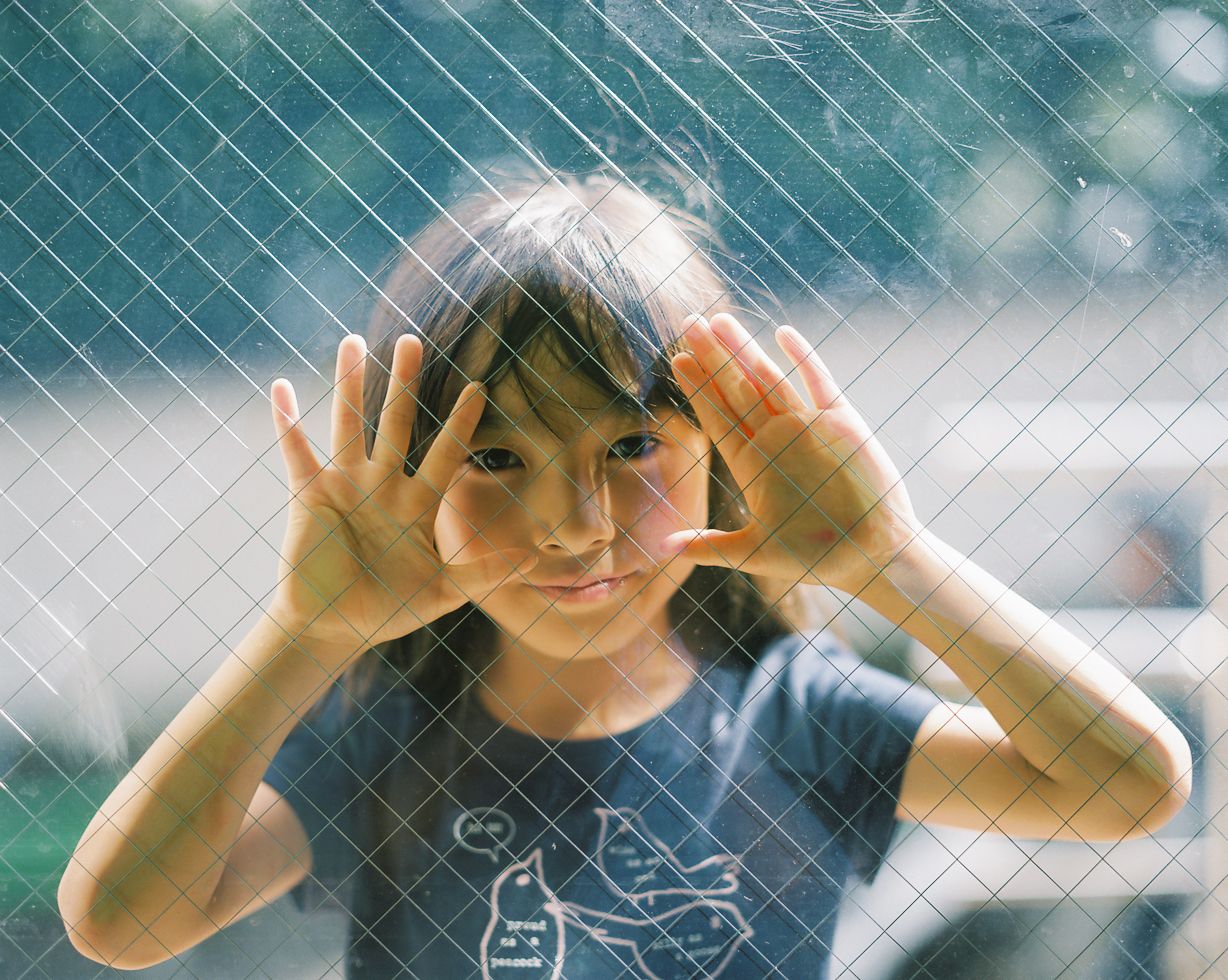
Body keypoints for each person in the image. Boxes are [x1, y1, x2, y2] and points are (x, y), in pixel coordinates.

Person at [57, 172, 1193, 978]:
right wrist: (306, 632)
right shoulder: (392, 737)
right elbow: (119, 919)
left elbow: (1130, 783)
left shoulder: (791, 715)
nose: (573, 525)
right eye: (496, 456)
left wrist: (885, 560)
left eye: (632, 447)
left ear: (724, 455)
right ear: (408, 476)